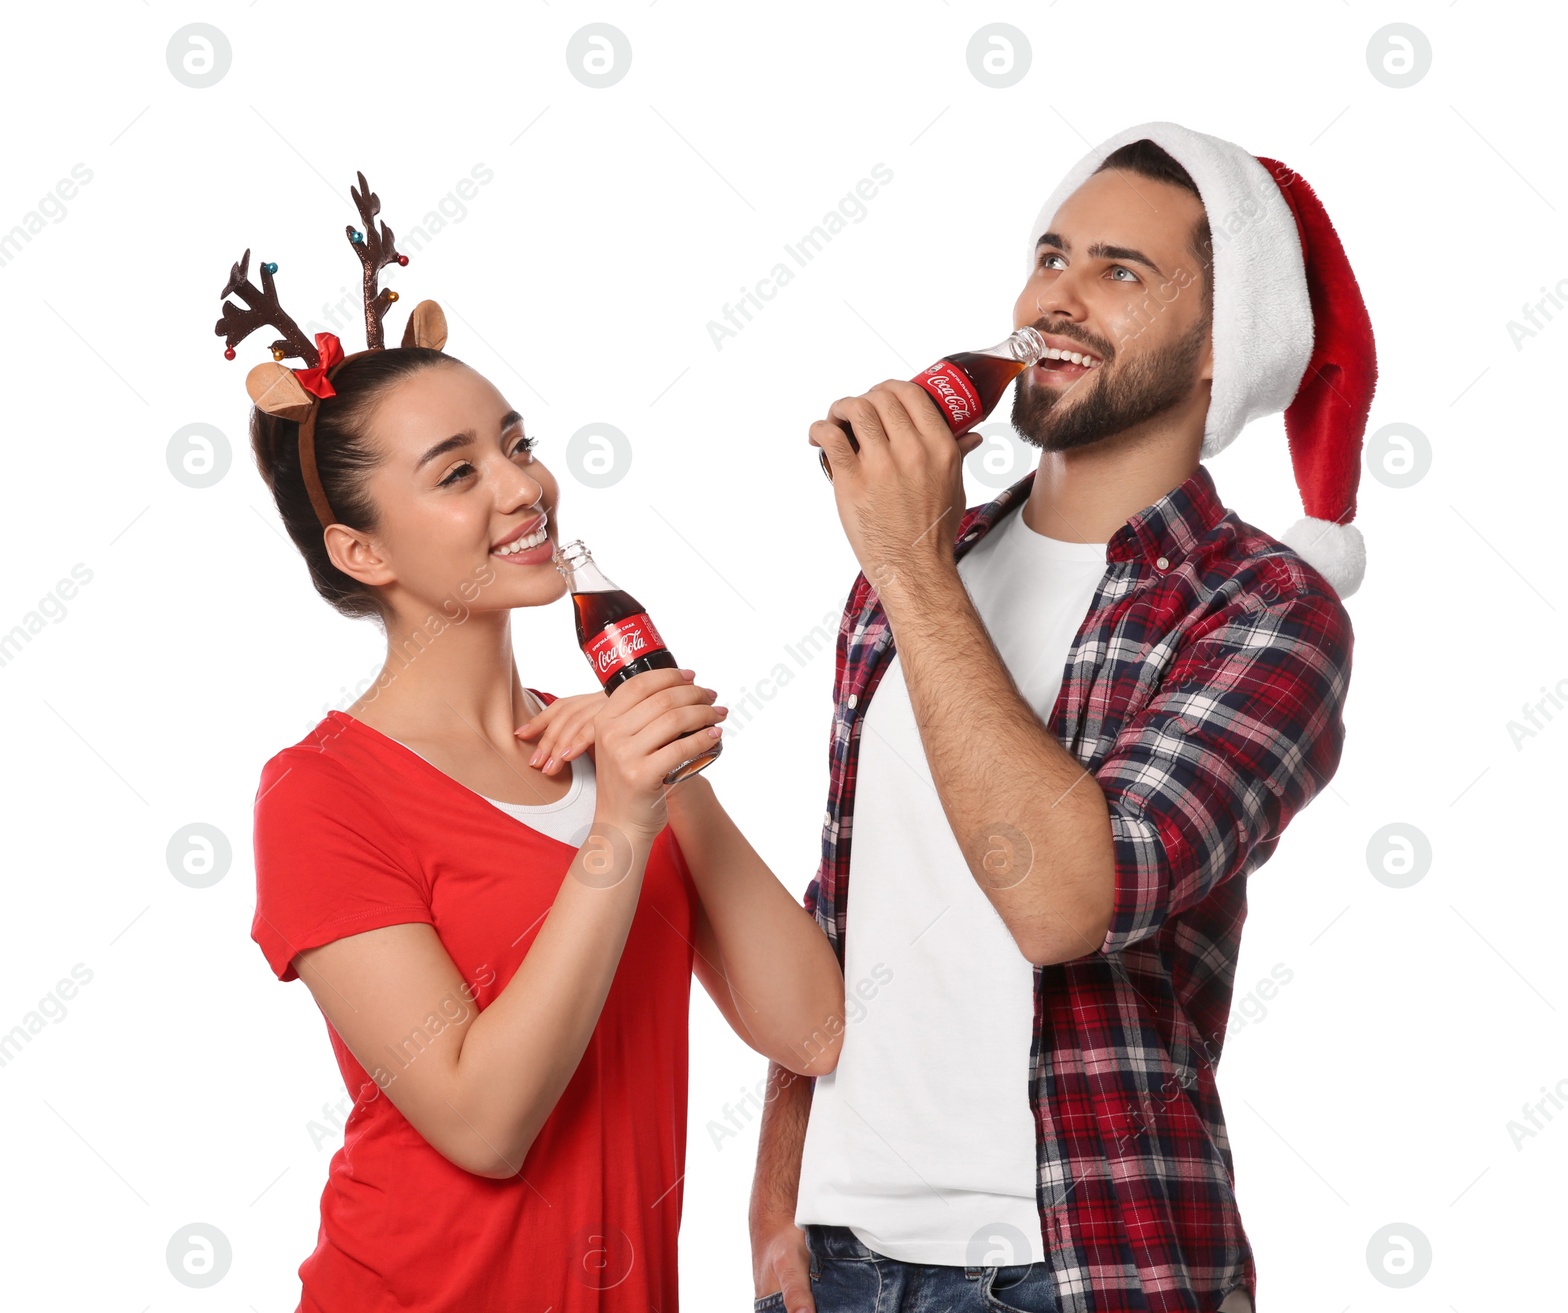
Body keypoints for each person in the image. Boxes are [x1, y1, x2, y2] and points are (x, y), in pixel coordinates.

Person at [747, 123, 1376, 1312]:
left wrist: (908, 565)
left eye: (1119, 272)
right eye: (1051, 255)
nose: (1057, 299)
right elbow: (845, 909)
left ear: (1217, 345)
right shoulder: (929, 563)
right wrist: (780, 1197)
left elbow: (1062, 901)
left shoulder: (1262, 610)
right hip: (836, 1263)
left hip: (1073, 1265)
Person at [244, 324, 846, 1308]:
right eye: (456, 473)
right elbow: (483, 1122)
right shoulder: (320, 795)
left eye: (516, 445)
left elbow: (813, 1030)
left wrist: (660, 771)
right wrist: (619, 822)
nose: (523, 488)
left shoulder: (607, 749)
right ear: (361, 550)